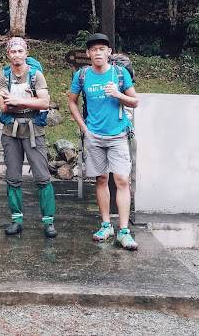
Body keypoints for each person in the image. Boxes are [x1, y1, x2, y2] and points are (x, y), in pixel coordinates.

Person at [68, 33, 139, 250]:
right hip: (95, 135)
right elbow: (72, 102)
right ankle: (106, 225)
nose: (98, 53)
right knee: (101, 179)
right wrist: (84, 128)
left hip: (117, 134)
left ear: (109, 52)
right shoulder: (81, 75)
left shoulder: (120, 73)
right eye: (94, 49)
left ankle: (124, 231)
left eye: (102, 49)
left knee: (121, 181)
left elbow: (135, 102)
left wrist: (118, 95)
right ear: (88, 54)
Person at [0, 37, 58, 238]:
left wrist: (17, 101)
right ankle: (16, 219)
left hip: (34, 131)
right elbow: (4, 107)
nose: (17, 55)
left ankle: (48, 221)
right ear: (8, 55)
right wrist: (30, 101)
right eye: (13, 52)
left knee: (42, 176)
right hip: (10, 131)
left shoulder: (36, 75)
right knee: (13, 177)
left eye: (20, 51)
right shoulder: (1, 77)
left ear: (26, 53)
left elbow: (45, 103)